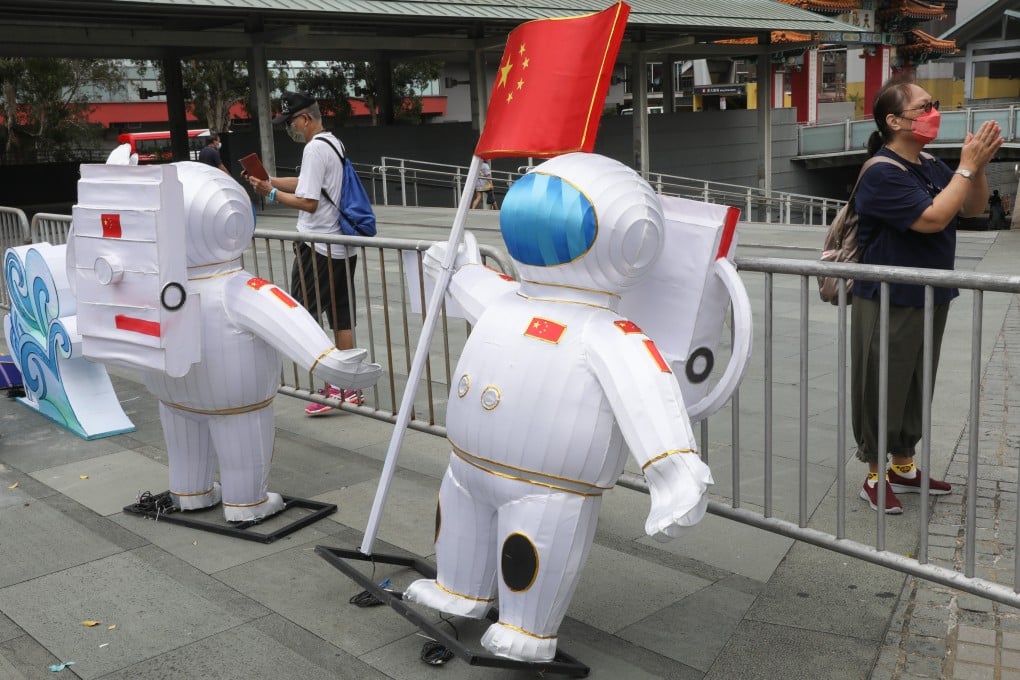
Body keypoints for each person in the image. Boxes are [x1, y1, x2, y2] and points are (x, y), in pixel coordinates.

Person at [851, 78, 1003, 513]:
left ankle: (903, 464)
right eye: (924, 106)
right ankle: (874, 473)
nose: (934, 111)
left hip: (929, 293)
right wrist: (966, 167)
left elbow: (972, 208)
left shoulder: (933, 165)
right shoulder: (881, 172)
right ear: (895, 121)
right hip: (888, 297)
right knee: (883, 382)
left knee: (918, 382)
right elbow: (933, 219)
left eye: (933, 104)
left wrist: (977, 164)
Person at [246, 91, 364, 415]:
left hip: (318, 247)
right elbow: (307, 183)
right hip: (341, 245)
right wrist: (271, 180)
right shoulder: (333, 143)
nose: (290, 129)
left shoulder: (314, 148)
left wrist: (270, 193)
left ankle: (332, 387)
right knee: (341, 315)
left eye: (291, 122)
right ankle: (349, 388)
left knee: (306, 318)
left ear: (306, 118)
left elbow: (309, 202)